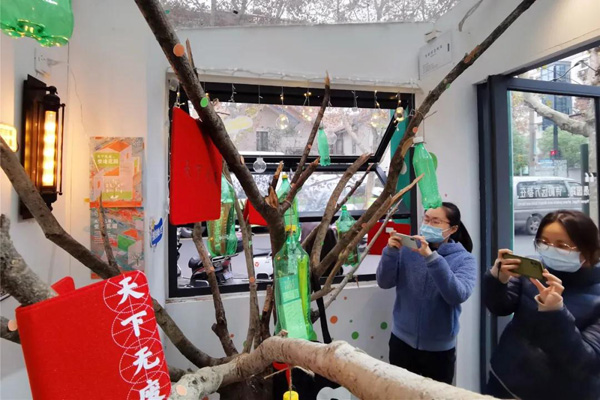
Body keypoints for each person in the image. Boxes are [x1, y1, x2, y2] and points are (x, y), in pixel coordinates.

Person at [484, 210, 600, 400]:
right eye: (544, 242)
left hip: (563, 393)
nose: (550, 250)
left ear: (588, 250)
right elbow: (500, 307)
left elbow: (586, 362)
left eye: (562, 245)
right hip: (505, 381)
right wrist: (498, 279)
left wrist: (555, 312)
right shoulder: (534, 269)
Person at [376, 202, 476, 384]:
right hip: (401, 341)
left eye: (436, 222)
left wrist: (431, 257)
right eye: (426, 219)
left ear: (453, 229)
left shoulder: (465, 259)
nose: (428, 225)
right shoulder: (408, 249)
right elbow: (384, 282)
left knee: (436, 395)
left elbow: (457, 295)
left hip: (439, 350)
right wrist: (390, 252)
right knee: (400, 393)